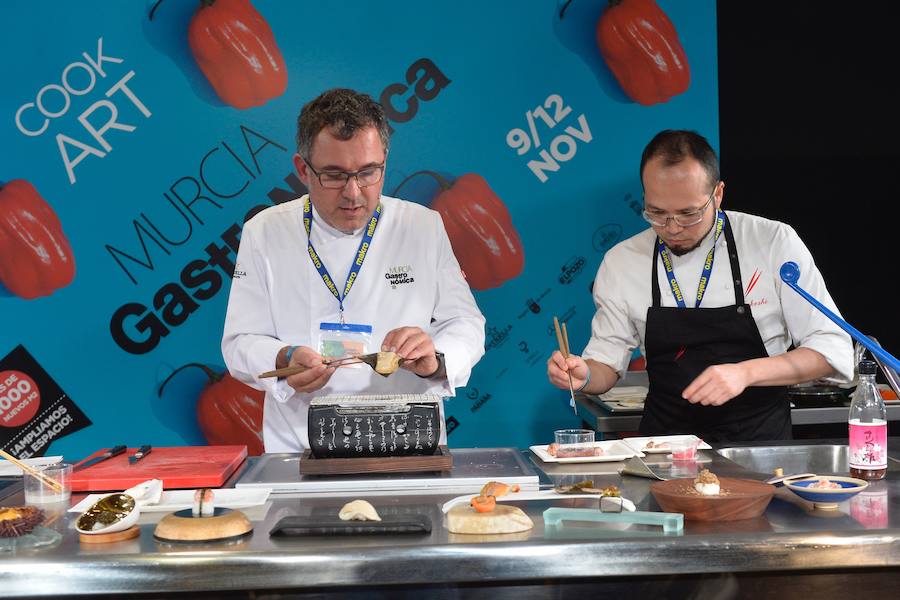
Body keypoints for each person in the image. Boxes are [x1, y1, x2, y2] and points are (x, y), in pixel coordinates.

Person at [222, 88, 486, 452]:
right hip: (300, 447)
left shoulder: (422, 226)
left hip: (410, 443)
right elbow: (240, 341)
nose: (353, 193)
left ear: (384, 163)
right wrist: (283, 358)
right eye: (334, 175)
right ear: (303, 169)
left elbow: (466, 323)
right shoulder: (264, 232)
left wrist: (435, 357)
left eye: (368, 173)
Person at [547, 130, 853, 442]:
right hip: (663, 451)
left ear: (717, 194)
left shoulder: (771, 242)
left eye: (688, 214)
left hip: (760, 450)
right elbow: (605, 367)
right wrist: (583, 375)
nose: (672, 228)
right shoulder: (623, 261)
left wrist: (744, 373)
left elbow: (831, 349)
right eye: (657, 213)